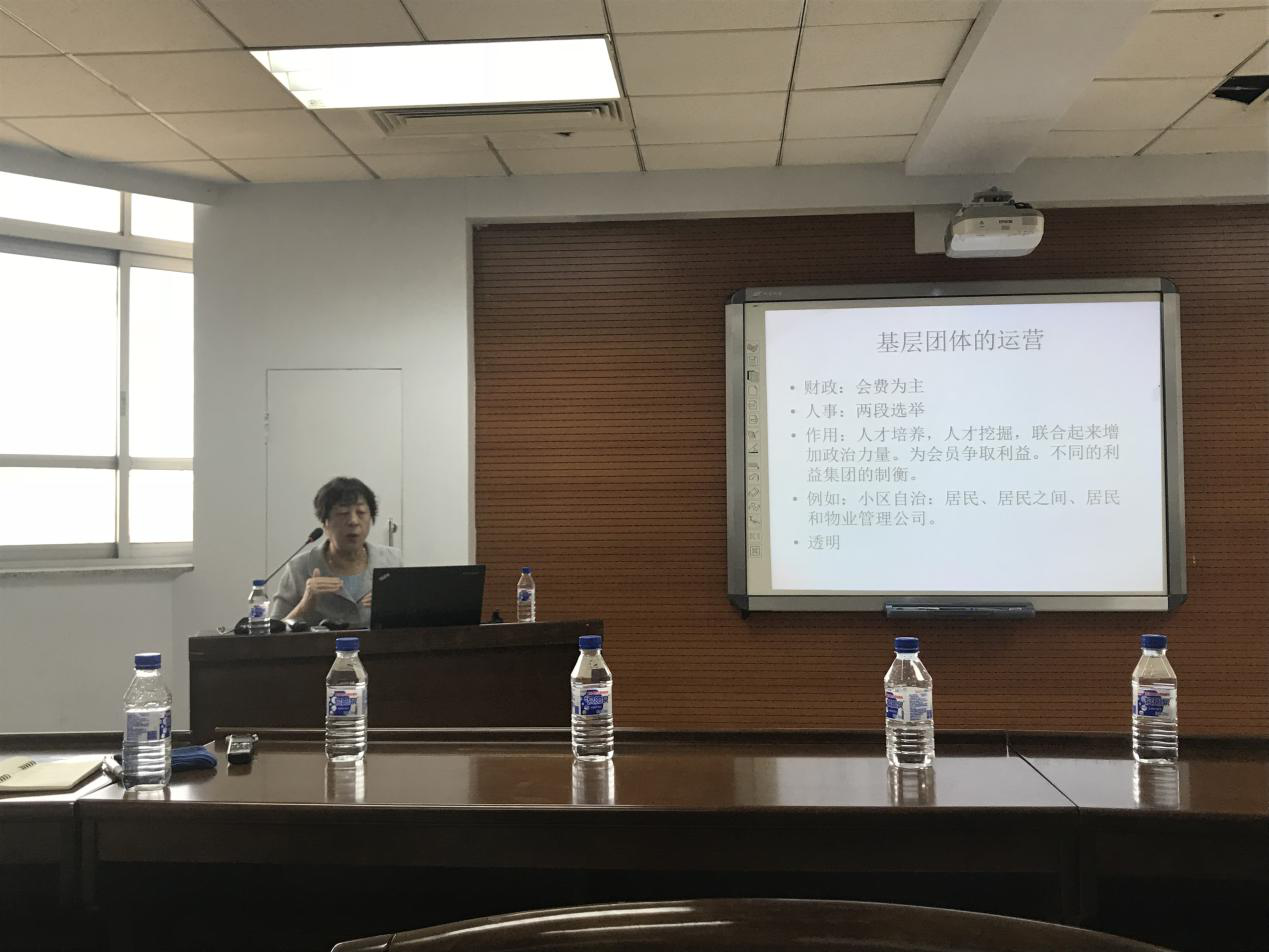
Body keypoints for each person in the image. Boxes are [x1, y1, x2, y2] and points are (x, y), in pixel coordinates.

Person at [270, 476, 401, 628]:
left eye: (361, 512)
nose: (353, 521)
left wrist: (395, 607)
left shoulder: (391, 560)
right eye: (343, 513)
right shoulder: (298, 568)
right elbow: (273, 632)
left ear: (371, 519)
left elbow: (412, 624)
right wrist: (304, 606)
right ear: (325, 523)